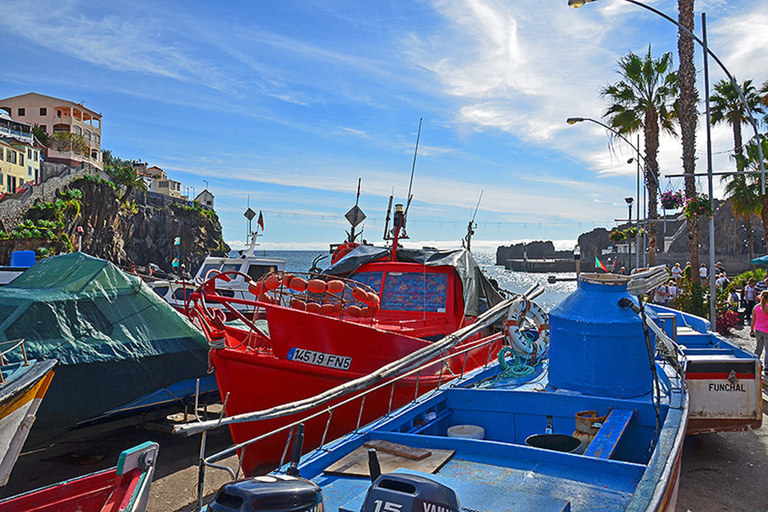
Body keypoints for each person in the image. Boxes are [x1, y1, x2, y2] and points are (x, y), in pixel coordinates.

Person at [750, 291, 768, 376]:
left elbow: (753, 319)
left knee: (758, 347)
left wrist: (751, 329)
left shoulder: (756, 307)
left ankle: (754, 363)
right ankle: (767, 368)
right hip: (766, 330)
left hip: (758, 329)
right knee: (767, 349)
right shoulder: (767, 308)